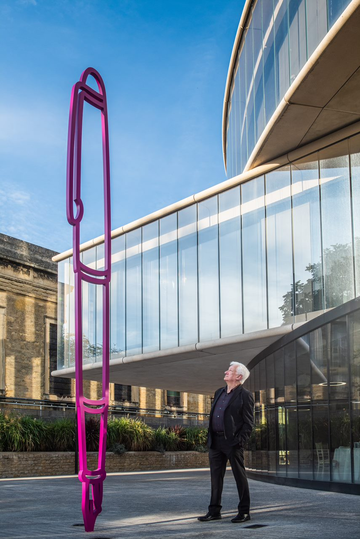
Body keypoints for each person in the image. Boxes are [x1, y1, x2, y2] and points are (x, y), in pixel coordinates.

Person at [198, 362, 254, 524]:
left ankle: (244, 512)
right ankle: (214, 511)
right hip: (215, 441)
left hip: (233, 443)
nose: (226, 372)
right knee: (216, 478)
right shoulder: (219, 392)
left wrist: (239, 441)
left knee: (239, 476)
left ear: (239, 377)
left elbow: (248, 423)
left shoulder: (245, 395)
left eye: (230, 371)